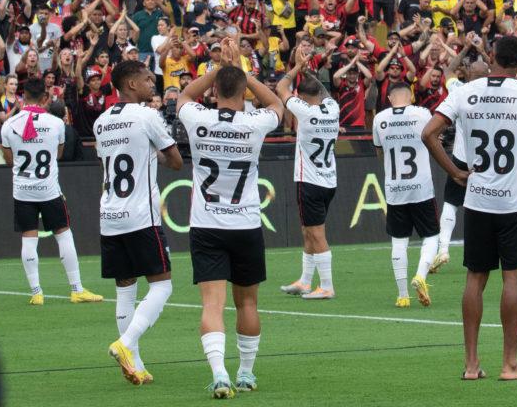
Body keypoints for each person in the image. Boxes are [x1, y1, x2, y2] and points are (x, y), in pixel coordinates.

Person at [422, 35, 517, 382]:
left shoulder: (465, 92)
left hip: (477, 197)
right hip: (514, 202)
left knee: (475, 278)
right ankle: (510, 364)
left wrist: (454, 172)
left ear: (492, 56)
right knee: (514, 278)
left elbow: (428, 133)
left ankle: (471, 364)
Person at [176, 38, 284, 397]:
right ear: (243, 92)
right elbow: (277, 103)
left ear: (215, 90)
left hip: (206, 225)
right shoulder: (254, 123)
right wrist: (244, 71)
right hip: (246, 223)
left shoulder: (198, 118)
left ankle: (219, 372)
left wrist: (217, 68)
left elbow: (183, 97)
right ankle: (247, 374)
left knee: (212, 304)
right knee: (248, 303)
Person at [98, 60, 184, 387]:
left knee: (125, 287)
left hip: (110, 215)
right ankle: (125, 343)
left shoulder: (103, 121)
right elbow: (175, 161)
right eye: (148, 79)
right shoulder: (149, 115)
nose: (153, 84)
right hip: (141, 214)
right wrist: (157, 153)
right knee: (162, 285)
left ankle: (135, 363)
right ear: (131, 84)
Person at [1, 77, 103, 305]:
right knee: (63, 233)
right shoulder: (56, 124)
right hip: (48, 189)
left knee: (29, 238)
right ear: (45, 97)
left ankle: (36, 292)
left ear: (22, 96)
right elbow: (57, 154)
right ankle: (76, 289)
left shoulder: (9, 125)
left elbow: (9, 159)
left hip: (23, 189)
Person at [276, 47, 342, 300]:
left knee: (316, 234)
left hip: (310, 181)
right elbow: (322, 91)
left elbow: (281, 87)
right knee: (308, 231)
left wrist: (295, 67)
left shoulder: (305, 111)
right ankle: (305, 280)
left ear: (301, 98)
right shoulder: (332, 108)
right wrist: (308, 70)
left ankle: (326, 286)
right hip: (328, 180)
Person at [372, 84, 440, 308]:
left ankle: (402, 296)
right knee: (431, 236)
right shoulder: (422, 114)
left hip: (395, 188)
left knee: (399, 241)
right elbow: (434, 142)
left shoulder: (379, 119)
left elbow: (379, 151)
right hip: (421, 186)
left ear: (390, 98)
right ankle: (420, 275)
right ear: (410, 96)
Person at [431, 61, 490, 271]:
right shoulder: (497, 95)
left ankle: (443, 249)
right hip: (487, 159)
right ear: (488, 74)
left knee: (451, 203)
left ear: (468, 74)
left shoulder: (459, 89)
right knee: (485, 206)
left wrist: (461, 54)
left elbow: (447, 70)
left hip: (461, 156)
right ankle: (486, 250)